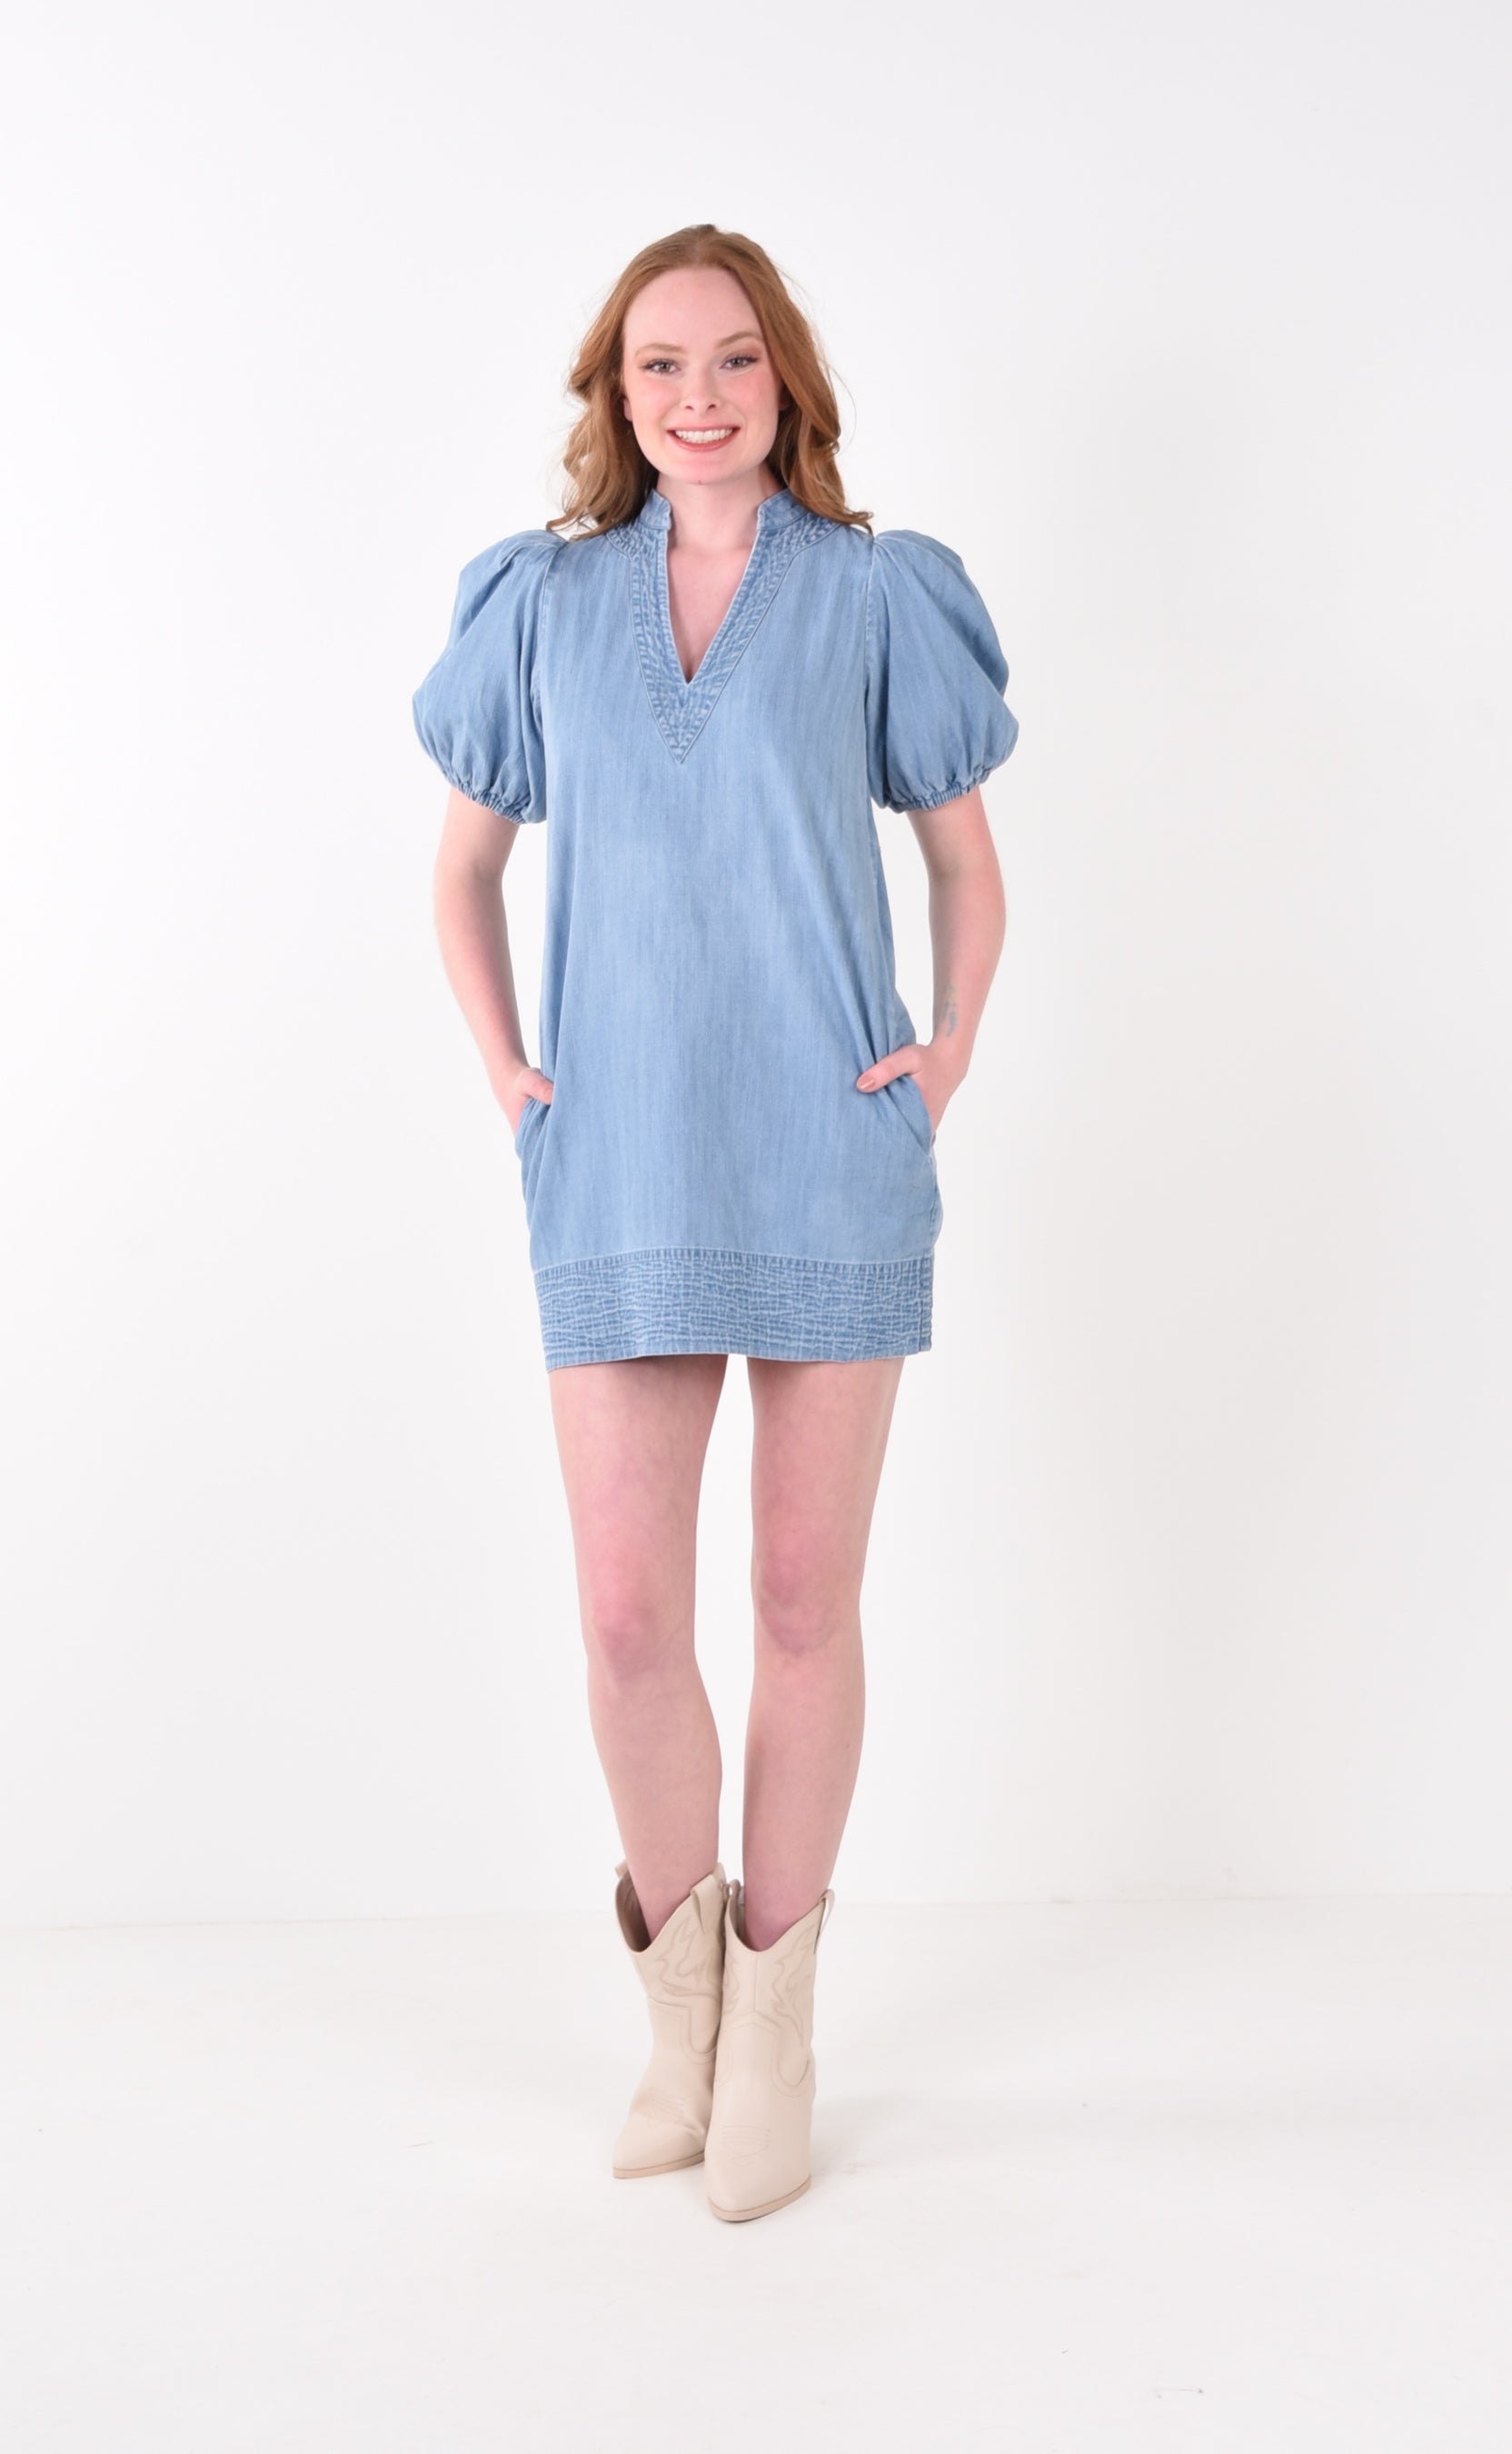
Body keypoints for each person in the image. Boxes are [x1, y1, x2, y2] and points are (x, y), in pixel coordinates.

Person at [413, 224, 1019, 2222]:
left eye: (734, 358)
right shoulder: (539, 605)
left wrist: (943, 1057)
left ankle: (776, 2031)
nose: (698, 394)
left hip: (828, 1149)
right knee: (622, 1612)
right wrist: (512, 1071)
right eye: (660, 363)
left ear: (786, 382)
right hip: (619, 1156)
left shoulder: (876, 595)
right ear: (616, 392)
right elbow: (462, 871)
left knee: (798, 1603)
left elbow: (965, 862)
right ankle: (677, 2027)